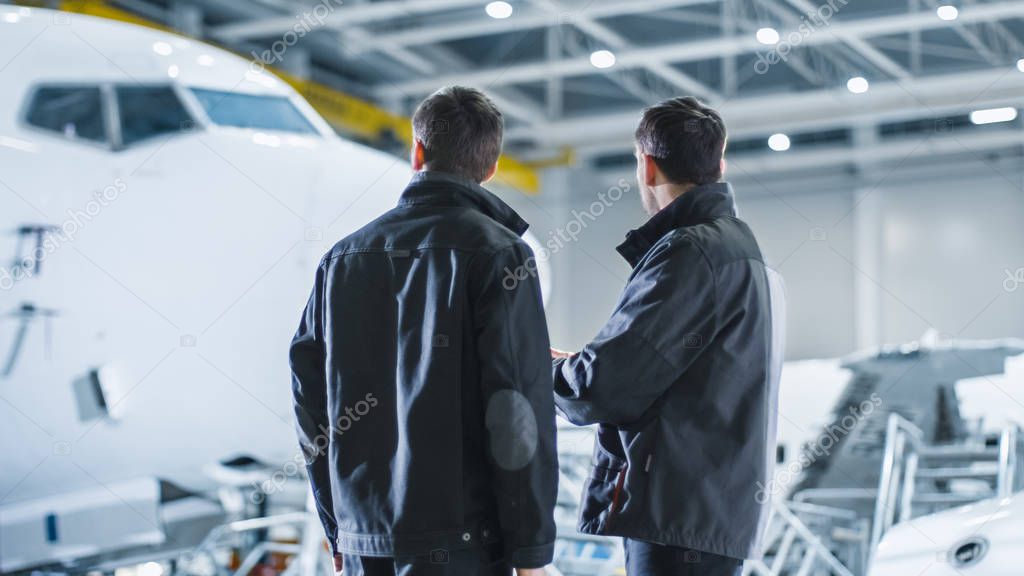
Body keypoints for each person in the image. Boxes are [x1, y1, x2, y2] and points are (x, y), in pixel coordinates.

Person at [290, 86, 557, 576]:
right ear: (491, 169)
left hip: (364, 542)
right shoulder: (500, 254)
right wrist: (531, 550)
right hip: (463, 545)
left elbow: (311, 408)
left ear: (417, 153)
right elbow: (515, 409)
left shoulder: (341, 260)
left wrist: (339, 528)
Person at [551, 97, 786, 576]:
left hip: (675, 519)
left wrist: (545, 367)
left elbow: (605, 388)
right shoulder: (742, 253)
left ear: (648, 166)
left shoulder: (690, 253)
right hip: (711, 516)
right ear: (719, 165)